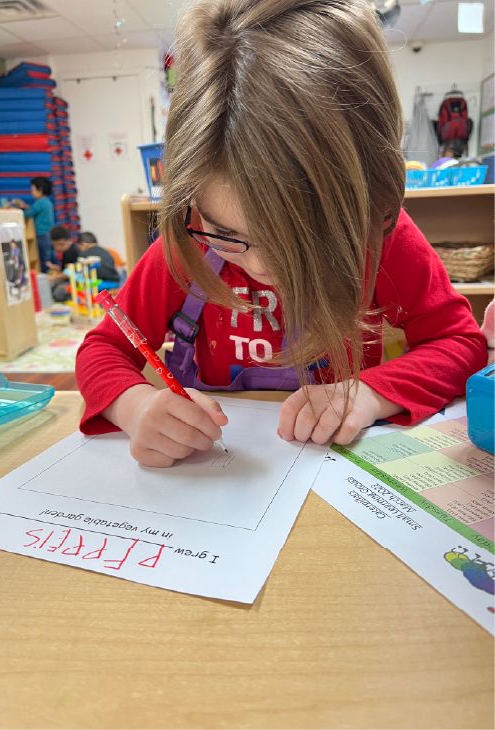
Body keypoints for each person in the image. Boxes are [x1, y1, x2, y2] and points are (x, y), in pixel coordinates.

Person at [76, 0, 486, 468]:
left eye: (302, 240)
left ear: (369, 205)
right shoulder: (187, 242)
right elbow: (102, 349)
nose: (262, 266)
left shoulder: (380, 236)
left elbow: (459, 344)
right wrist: (135, 406)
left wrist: (369, 394)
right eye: (226, 234)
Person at [49, 226, 119, 302]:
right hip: (115, 283)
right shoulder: (105, 251)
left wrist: (55, 277)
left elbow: (73, 273)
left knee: (60, 292)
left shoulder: (83, 255)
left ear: (84, 244)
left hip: (98, 284)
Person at [13, 177, 54, 273]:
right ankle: (48, 272)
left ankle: (45, 274)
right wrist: (26, 207)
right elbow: (34, 210)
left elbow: (28, 214)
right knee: (47, 256)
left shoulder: (40, 202)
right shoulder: (46, 201)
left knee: (43, 257)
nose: (31, 192)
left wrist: (20, 209)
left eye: (33, 190)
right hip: (47, 233)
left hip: (41, 234)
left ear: (40, 190)